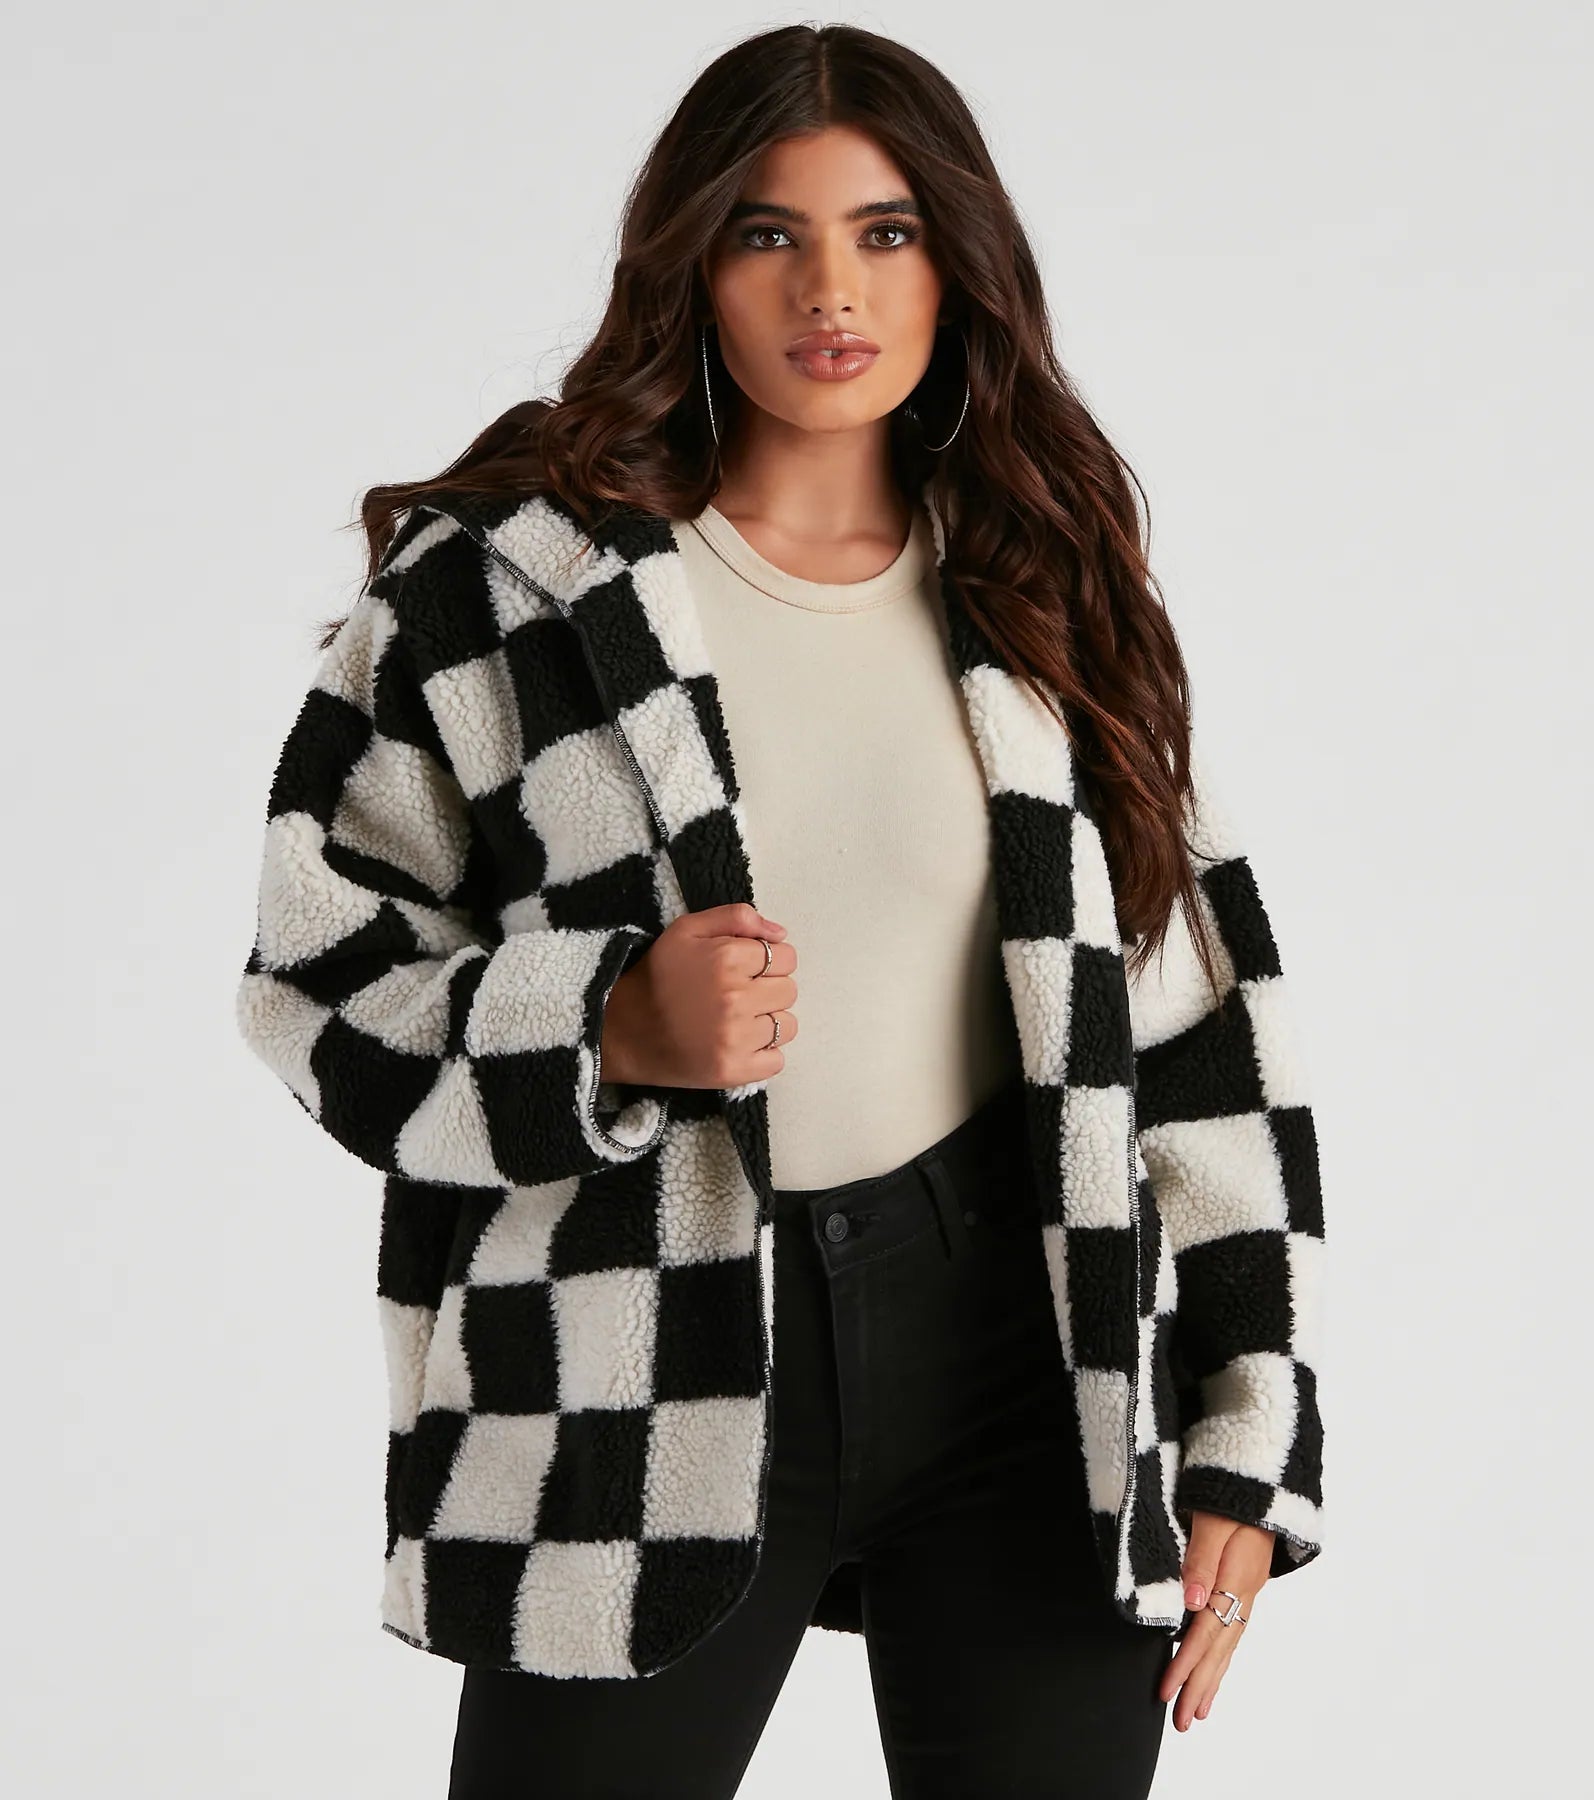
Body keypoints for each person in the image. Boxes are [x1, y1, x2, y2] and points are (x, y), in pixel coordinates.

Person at [235, 22, 1327, 1799]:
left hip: (1025, 1358)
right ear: (690, 265)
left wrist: (1243, 1433)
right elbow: (309, 976)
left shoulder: (1044, 583)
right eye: (768, 234)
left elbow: (1205, 1031)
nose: (832, 289)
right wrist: (600, 1025)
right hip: (630, 1342)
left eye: (885, 232)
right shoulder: (501, 593)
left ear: (959, 265)